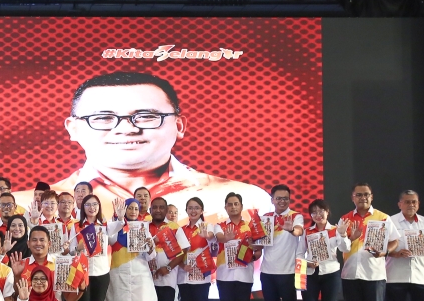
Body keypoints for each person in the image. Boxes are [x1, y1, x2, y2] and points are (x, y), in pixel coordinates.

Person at [23, 71, 272, 223]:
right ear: (73, 128)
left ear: (179, 125)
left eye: (145, 116)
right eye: (102, 118)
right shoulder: (28, 207)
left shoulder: (248, 199)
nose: (126, 129)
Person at [340, 182, 400, 301]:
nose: (362, 198)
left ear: (371, 197)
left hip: (374, 273)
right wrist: (349, 237)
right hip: (350, 272)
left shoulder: (383, 218)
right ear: (353, 197)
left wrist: (385, 252)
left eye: (366, 194)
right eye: (359, 195)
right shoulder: (345, 219)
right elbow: (340, 245)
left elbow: (395, 240)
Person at [257, 185, 305, 301]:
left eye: (285, 198)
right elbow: (259, 243)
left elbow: (298, 231)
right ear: (272, 200)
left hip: (288, 272)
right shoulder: (265, 218)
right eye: (279, 198)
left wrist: (291, 228)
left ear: (289, 200)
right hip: (267, 272)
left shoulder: (295, 216)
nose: (282, 201)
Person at [300, 200, 349, 301]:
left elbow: (345, 249)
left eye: (321, 211)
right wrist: (308, 262)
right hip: (311, 274)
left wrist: (342, 234)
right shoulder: (307, 232)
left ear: (327, 212)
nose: (318, 215)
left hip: (331, 274)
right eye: (314, 212)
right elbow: (299, 255)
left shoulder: (335, 230)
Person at [105, 198, 157, 301]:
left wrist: (150, 247)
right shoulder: (115, 226)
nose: (133, 211)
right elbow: (109, 239)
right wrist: (120, 220)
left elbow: (151, 257)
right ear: (124, 209)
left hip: (140, 276)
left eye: (136, 208)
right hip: (119, 275)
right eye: (130, 208)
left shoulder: (143, 228)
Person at [72, 194, 112, 301]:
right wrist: (79, 247)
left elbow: (114, 239)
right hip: (83, 271)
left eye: (95, 204)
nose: (91, 207)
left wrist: (121, 217)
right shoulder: (77, 226)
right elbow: (72, 250)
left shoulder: (106, 225)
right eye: (88, 205)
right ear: (83, 208)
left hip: (102, 271)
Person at [145, 197, 190, 301]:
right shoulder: (144, 226)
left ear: (166, 210)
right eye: (155, 207)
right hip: (147, 279)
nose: (158, 210)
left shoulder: (174, 227)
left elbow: (184, 250)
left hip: (167, 279)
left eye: (161, 207)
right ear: (150, 210)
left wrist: (168, 268)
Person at [215, 192, 257, 301]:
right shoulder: (219, 226)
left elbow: (258, 250)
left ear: (241, 206)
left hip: (245, 275)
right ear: (225, 208)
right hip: (224, 276)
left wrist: (253, 256)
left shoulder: (251, 226)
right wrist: (226, 238)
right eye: (230, 205)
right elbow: (219, 238)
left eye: (236, 204)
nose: (233, 207)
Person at [176, 197, 215, 301]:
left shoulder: (208, 227)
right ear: (186, 210)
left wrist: (207, 236)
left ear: (202, 210)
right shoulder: (180, 230)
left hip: (201, 276)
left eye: (197, 208)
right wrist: (182, 266)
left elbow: (213, 243)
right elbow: (176, 253)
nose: (193, 211)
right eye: (190, 208)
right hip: (184, 276)